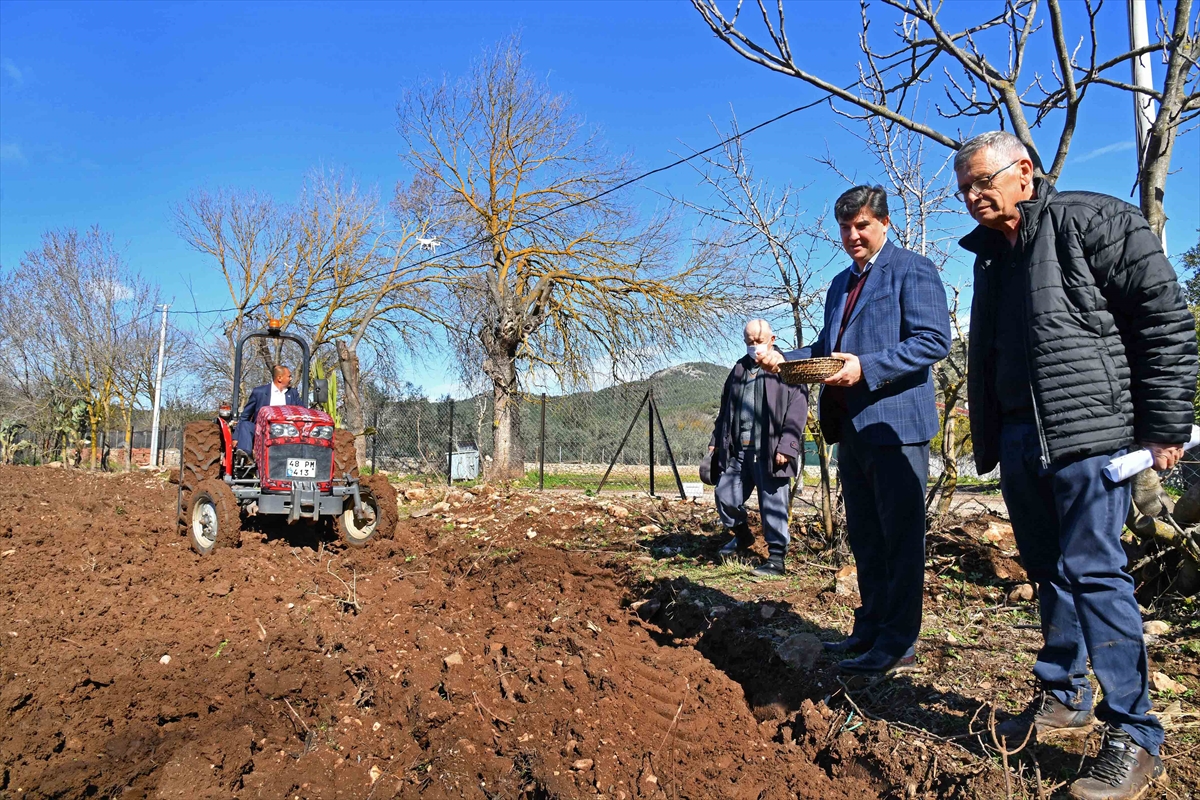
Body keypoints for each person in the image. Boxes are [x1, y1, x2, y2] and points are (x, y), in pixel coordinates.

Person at [954, 130, 1196, 800]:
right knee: (1049, 569)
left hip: (1092, 435)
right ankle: (1063, 695)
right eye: (965, 189)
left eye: (983, 181)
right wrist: (995, 438)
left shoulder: (1091, 220)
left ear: (1023, 172)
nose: (974, 197)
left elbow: (1163, 318)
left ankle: (1135, 736)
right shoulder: (990, 259)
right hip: (1021, 440)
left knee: (1095, 572)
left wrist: (1167, 425)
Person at [758, 186, 951, 675]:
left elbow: (933, 341)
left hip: (897, 426)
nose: (852, 235)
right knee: (866, 537)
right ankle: (869, 630)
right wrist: (786, 361)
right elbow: (828, 348)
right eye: (845, 227)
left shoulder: (913, 270)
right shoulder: (840, 285)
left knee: (900, 540)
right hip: (853, 430)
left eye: (862, 225)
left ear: (885, 223)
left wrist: (867, 368)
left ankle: (899, 644)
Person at [709, 319, 808, 577]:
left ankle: (776, 560)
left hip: (772, 450)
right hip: (740, 451)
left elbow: (798, 410)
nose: (755, 347)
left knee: (773, 504)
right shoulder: (739, 369)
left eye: (759, 341)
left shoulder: (787, 367)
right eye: (749, 342)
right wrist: (715, 442)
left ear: (772, 339)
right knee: (725, 494)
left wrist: (788, 445)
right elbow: (725, 409)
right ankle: (743, 537)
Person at [235, 364, 301, 455]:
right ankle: (245, 455)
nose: (290, 379)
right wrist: (235, 438)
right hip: (262, 430)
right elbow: (245, 416)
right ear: (280, 378)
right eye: (289, 376)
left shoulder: (293, 393)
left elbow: (302, 411)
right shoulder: (259, 392)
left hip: (287, 431)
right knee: (246, 425)